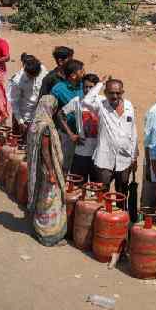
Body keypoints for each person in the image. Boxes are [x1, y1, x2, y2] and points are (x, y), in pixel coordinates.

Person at [82, 79, 139, 202]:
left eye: (118, 93)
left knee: (122, 192)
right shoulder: (100, 105)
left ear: (122, 92)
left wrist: (134, 156)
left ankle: (121, 216)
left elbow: (133, 131)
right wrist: (100, 83)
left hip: (124, 158)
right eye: (111, 93)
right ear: (106, 92)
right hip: (104, 158)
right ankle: (102, 216)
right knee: (102, 191)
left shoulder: (128, 106)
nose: (114, 96)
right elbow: (86, 100)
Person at [26, 95, 68, 246]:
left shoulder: (35, 123)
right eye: (54, 108)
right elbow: (45, 151)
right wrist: (51, 173)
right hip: (47, 170)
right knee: (50, 201)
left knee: (42, 199)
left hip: (38, 169)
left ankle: (38, 229)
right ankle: (49, 235)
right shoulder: (45, 127)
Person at [52, 59, 86, 171]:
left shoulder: (83, 86)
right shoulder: (58, 90)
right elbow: (55, 114)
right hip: (66, 134)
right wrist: (70, 133)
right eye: (81, 71)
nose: (84, 73)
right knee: (64, 164)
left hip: (83, 134)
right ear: (73, 75)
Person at [65, 73, 100, 182]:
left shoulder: (102, 101)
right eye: (85, 86)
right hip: (81, 152)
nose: (88, 89)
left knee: (96, 188)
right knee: (78, 186)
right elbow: (60, 115)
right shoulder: (76, 101)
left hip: (98, 153)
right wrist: (71, 135)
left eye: (91, 87)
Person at [8, 53, 47, 136]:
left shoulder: (42, 70)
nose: (33, 78)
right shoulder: (17, 81)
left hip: (39, 114)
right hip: (24, 117)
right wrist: (20, 121)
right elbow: (14, 102)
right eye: (30, 76)